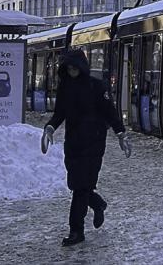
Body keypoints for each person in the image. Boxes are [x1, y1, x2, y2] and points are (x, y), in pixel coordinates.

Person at [41, 49, 132, 247]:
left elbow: (110, 112)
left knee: (81, 188)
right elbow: (59, 114)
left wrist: (120, 133)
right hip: (73, 143)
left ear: (81, 68)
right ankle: (98, 204)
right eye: (69, 68)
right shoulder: (65, 88)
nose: (72, 71)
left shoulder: (96, 87)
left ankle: (76, 230)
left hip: (94, 142)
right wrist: (49, 128)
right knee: (76, 184)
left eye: (74, 67)